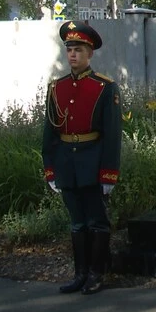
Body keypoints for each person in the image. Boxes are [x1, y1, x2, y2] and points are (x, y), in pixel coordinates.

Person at [42, 20, 122, 295]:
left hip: (93, 162)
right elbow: (49, 134)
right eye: (69, 49)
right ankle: (79, 274)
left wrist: (109, 173)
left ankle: (96, 274)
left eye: (78, 49)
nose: (73, 54)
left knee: (96, 221)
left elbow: (112, 135)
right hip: (66, 163)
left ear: (90, 53)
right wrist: (50, 169)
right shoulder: (56, 88)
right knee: (77, 222)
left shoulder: (104, 88)